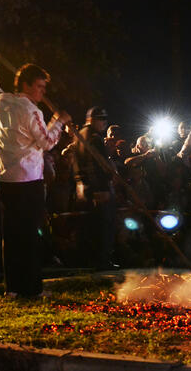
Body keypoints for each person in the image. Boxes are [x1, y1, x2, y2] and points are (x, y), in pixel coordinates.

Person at [0, 44, 72, 297]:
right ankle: (31, 288)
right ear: (26, 85)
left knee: (12, 235)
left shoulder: (3, 102)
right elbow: (46, 142)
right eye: (40, 86)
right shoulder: (31, 110)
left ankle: (13, 288)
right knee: (30, 236)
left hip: (5, 178)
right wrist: (60, 122)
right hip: (27, 181)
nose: (43, 92)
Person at [74, 106, 117, 269]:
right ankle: (102, 261)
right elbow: (94, 166)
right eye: (101, 119)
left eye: (105, 119)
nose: (104, 123)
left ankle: (94, 260)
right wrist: (102, 188)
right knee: (104, 225)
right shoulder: (93, 138)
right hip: (98, 189)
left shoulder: (80, 135)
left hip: (85, 188)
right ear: (93, 119)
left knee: (92, 226)